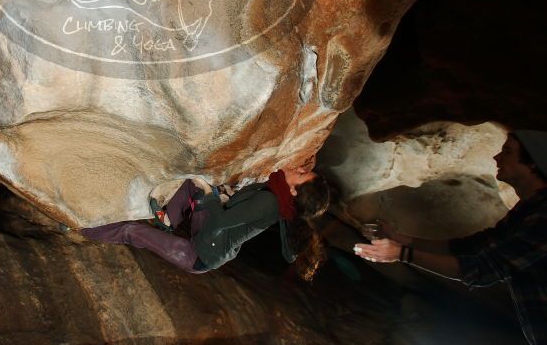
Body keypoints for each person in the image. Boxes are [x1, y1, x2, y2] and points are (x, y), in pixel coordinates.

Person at [353, 130, 547, 345]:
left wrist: (401, 254)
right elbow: (473, 246)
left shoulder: (543, 216)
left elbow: (482, 269)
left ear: (532, 163)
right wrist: (401, 240)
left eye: (508, 151)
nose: (497, 157)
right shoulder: (527, 211)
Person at [81, 164, 331, 280]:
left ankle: (82, 227)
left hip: (200, 255)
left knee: (131, 231)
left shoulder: (271, 203)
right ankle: (168, 220)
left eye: (301, 174)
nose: (298, 168)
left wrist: (213, 195)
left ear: (294, 192)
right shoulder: (276, 189)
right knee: (195, 186)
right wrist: (215, 192)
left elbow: (222, 218)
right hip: (211, 233)